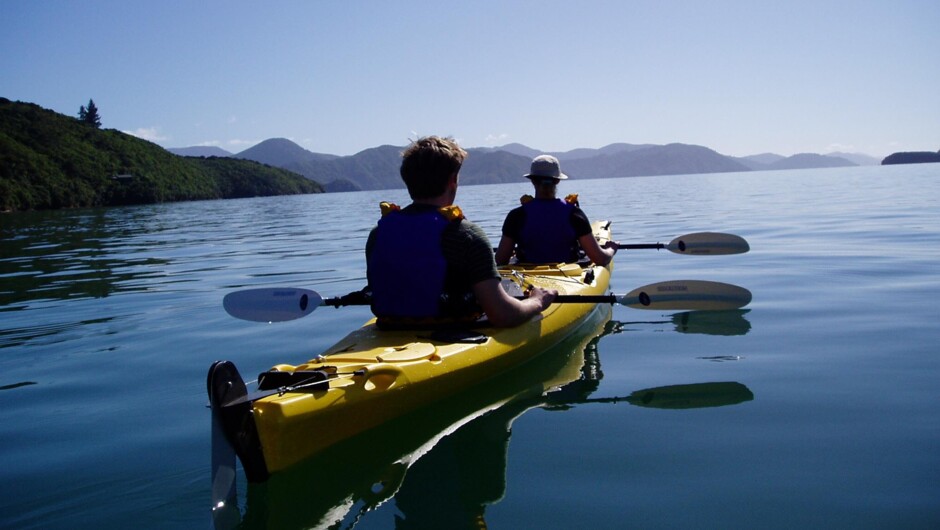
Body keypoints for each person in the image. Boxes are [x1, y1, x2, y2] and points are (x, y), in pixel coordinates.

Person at [366, 136, 556, 328]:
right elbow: (503, 315)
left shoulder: (378, 234)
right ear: (453, 181)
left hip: (390, 327)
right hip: (454, 330)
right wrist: (537, 301)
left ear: (408, 180)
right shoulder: (466, 235)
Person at [495, 155, 616, 266]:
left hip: (527, 281)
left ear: (532, 180)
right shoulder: (574, 214)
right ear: (557, 180)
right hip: (569, 278)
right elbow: (600, 259)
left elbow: (500, 261)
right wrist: (611, 249)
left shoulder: (516, 216)